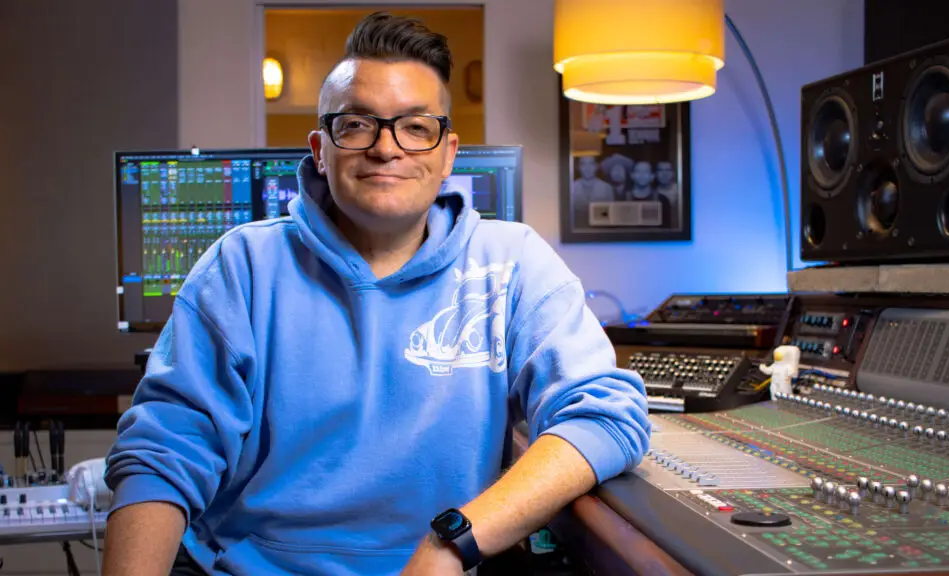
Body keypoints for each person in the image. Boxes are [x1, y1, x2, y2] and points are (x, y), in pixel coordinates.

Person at [101, 11, 650, 576]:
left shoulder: (513, 264)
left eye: (416, 127)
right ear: (320, 148)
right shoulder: (241, 267)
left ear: (448, 154)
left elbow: (605, 417)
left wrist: (451, 543)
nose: (387, 148)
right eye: (358, 125)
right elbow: (164, 452)